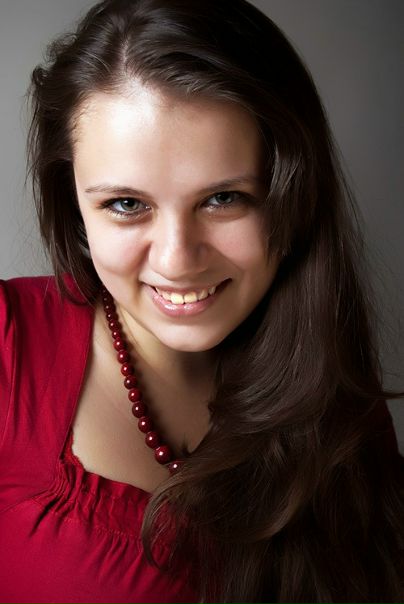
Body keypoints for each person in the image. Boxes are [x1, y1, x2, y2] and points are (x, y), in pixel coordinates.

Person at [0, 0, 403, 602]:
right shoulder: (8, 349)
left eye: (223, 199)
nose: (176, 260)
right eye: (126, 205)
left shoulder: (340, 397)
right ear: (74, 206)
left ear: (291, 195)